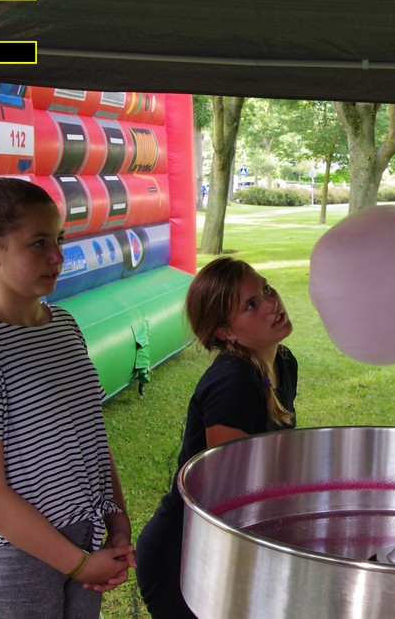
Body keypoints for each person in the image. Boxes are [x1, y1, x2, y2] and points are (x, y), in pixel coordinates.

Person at [0, 176, 135, 618]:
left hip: (83, 535)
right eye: (38, 243)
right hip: (13, 559)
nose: (57, 256)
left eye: (58, 239)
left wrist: (117, 520)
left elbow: (91, 436)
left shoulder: (63, 326)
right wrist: (79, 564)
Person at [135, 256, 298, 619]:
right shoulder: (233, 382)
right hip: (183, 556)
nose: (271, 303)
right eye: (251, 305)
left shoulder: (283, 361)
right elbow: (231, 497)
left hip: (221, 549)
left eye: (266, 289)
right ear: (225, 333)